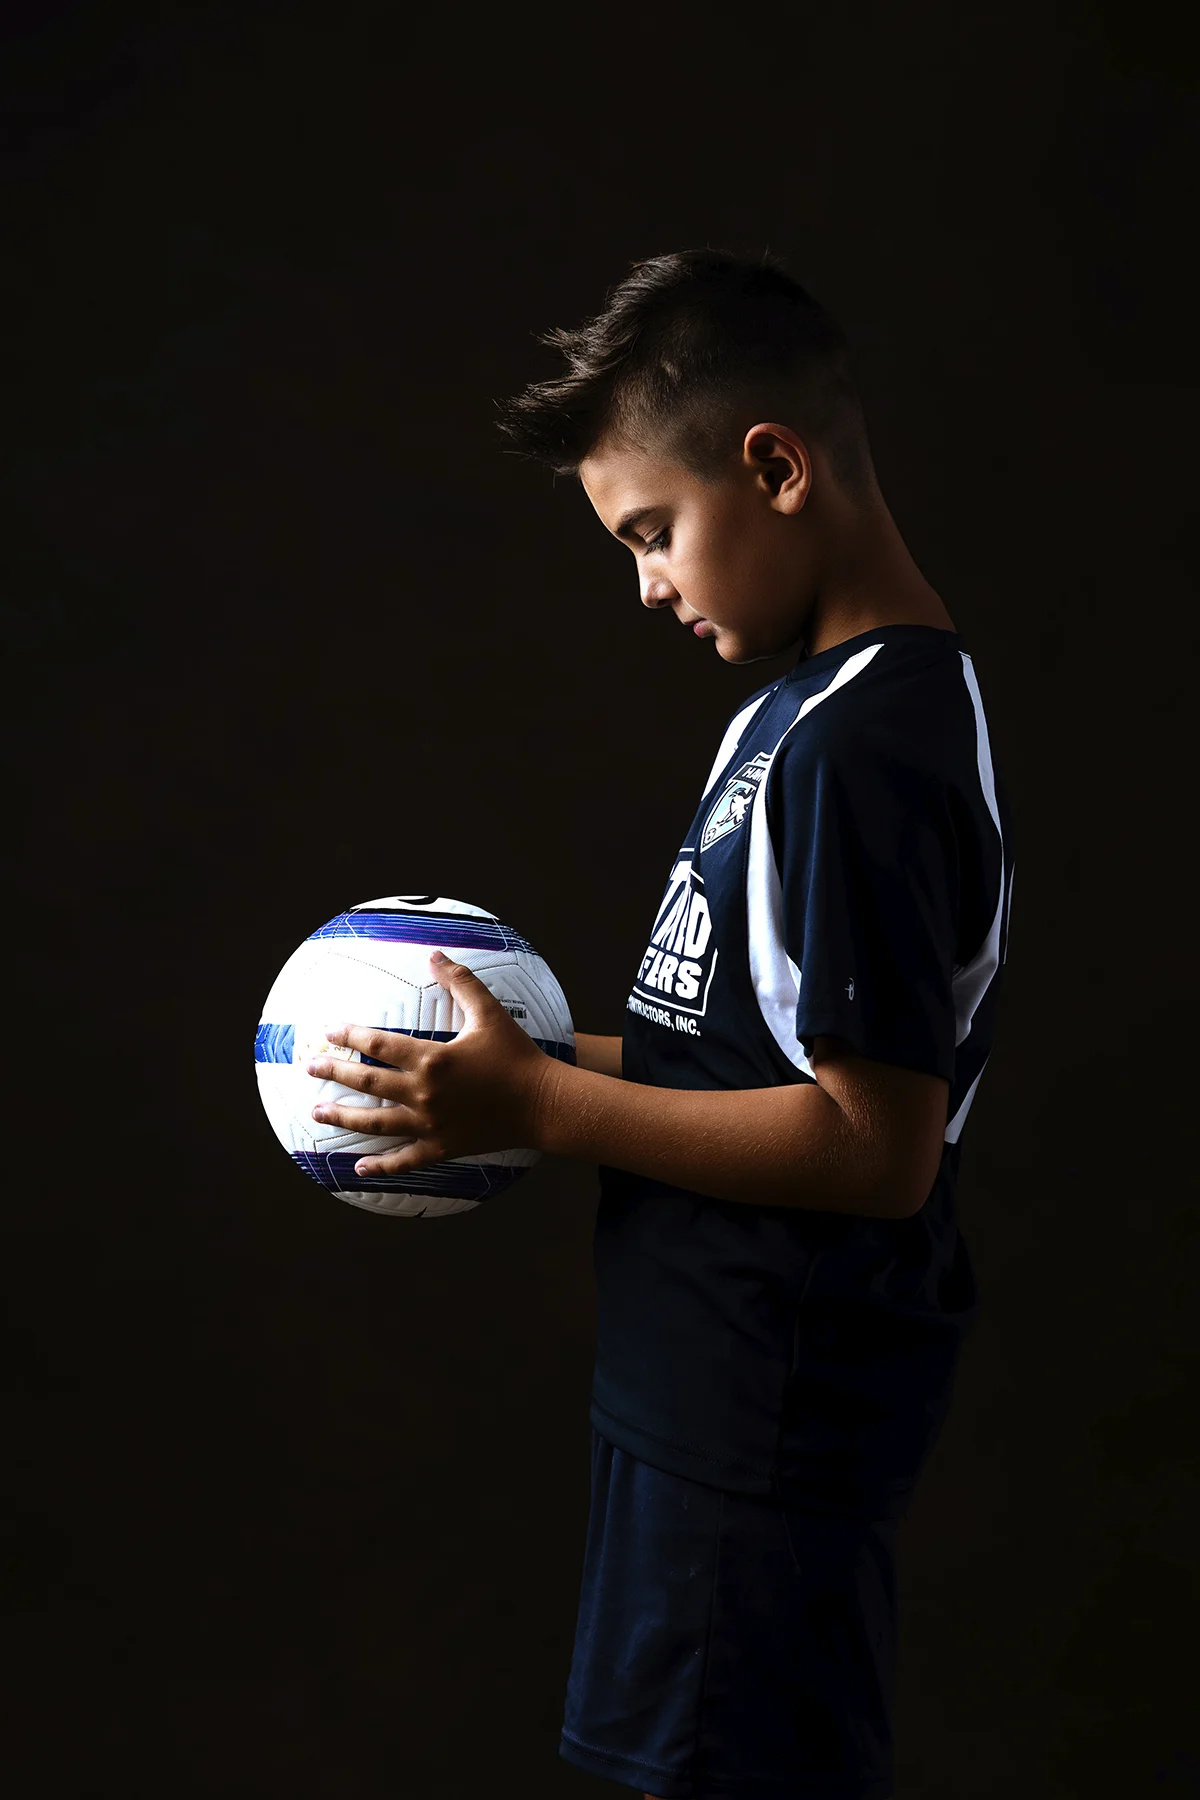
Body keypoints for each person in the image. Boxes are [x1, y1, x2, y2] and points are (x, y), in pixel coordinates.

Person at [307, 249, 1015, 1799]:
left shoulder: (868, 750)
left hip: (769, 1422)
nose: (645, 584)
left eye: (653, 533)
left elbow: (874, 1147)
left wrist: (544, 1111)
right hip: (693, 1392)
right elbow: (734, 1068)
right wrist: (497, 1067)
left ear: (772, 466)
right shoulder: (786, 718)